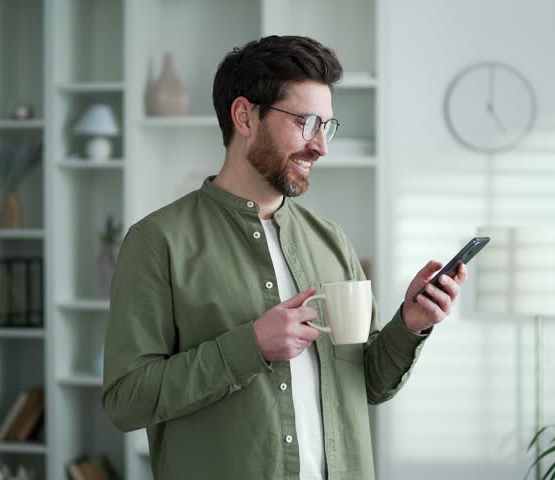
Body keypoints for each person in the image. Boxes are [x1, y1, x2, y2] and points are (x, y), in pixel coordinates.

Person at [101, 35, 467, 480]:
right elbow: (126, 401)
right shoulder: (158, 242)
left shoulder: (331, 241)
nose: (321, 147)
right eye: (307, 122)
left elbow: (365, 382)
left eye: (327, 127)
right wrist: (249, 346)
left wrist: (410, 324)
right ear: (244, 116)